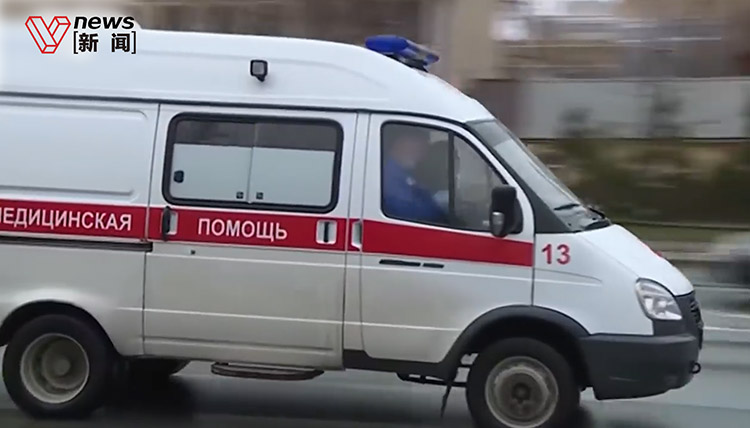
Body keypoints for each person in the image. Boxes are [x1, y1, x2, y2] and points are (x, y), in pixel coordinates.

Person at [381, 125, 448, 224]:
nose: (424, 151)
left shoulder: (409, 172)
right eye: (419, 144)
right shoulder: (390, 177)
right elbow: (413, 214)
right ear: (401, 143)